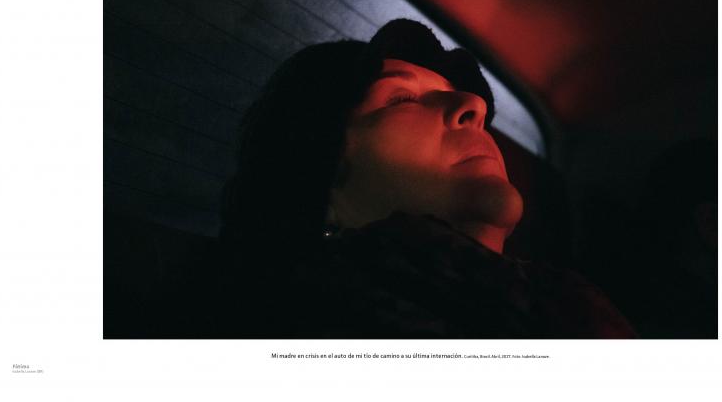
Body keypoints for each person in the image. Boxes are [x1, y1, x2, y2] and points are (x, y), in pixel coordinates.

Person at [215, 19, 636, 339]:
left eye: (458, 93)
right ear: (318, 183)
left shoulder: (568, 305)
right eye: (402, 98)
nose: (474, 105)